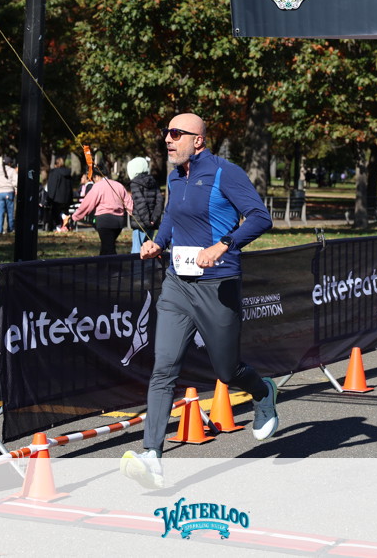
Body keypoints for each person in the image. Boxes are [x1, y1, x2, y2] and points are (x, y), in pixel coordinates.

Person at [119, 112, 276, 489]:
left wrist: (224, 244)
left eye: (176, 134)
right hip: (177, 284)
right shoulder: (175, 175)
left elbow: (260, 217)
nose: (168, 139)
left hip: (217, 284)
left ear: (198, 140)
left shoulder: (226, 172)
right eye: (166, 133)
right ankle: (152, 456)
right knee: (164, 367)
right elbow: (172, 216)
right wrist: (159, 242)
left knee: (226, 371)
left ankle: (262, 391)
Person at [66, 163, 133, 256]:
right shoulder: (118, 185)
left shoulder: (97, 187)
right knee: (108, 245)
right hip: (119, 221)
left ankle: (112, 264)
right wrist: (133, 213)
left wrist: (74, 217)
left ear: (96, 176)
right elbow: (128, 202)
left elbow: (87, 204)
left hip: (104, 220)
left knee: (108, 248)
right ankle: (102, 263)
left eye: (93, 179)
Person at [127, 156, 164, 254]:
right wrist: (154, 219)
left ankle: (137, 264)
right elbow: (159, 201)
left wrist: (147, 221)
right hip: (152, 222)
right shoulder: (153, 181)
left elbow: (140, 204)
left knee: (137, 250)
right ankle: (148, 264)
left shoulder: (135, 183)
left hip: (141, 222)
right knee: (149, 249)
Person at [0, 155, 18, 234]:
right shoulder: (12, 171)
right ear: (10, 163)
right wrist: (14, 188)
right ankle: (10, 229)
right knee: (10, 213)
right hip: (9, 192)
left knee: (0, 213)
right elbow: (16, 182)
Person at [44, 156, 73, 232]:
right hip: (66, 198)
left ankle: (59, 226)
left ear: (56, 164)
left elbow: (52, 186)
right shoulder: (68, 173)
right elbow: (70, 186)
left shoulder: (54, 172)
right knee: (63, 211)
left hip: (56, 198)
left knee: (55, 213)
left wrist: (50, 197)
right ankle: (64, 225)